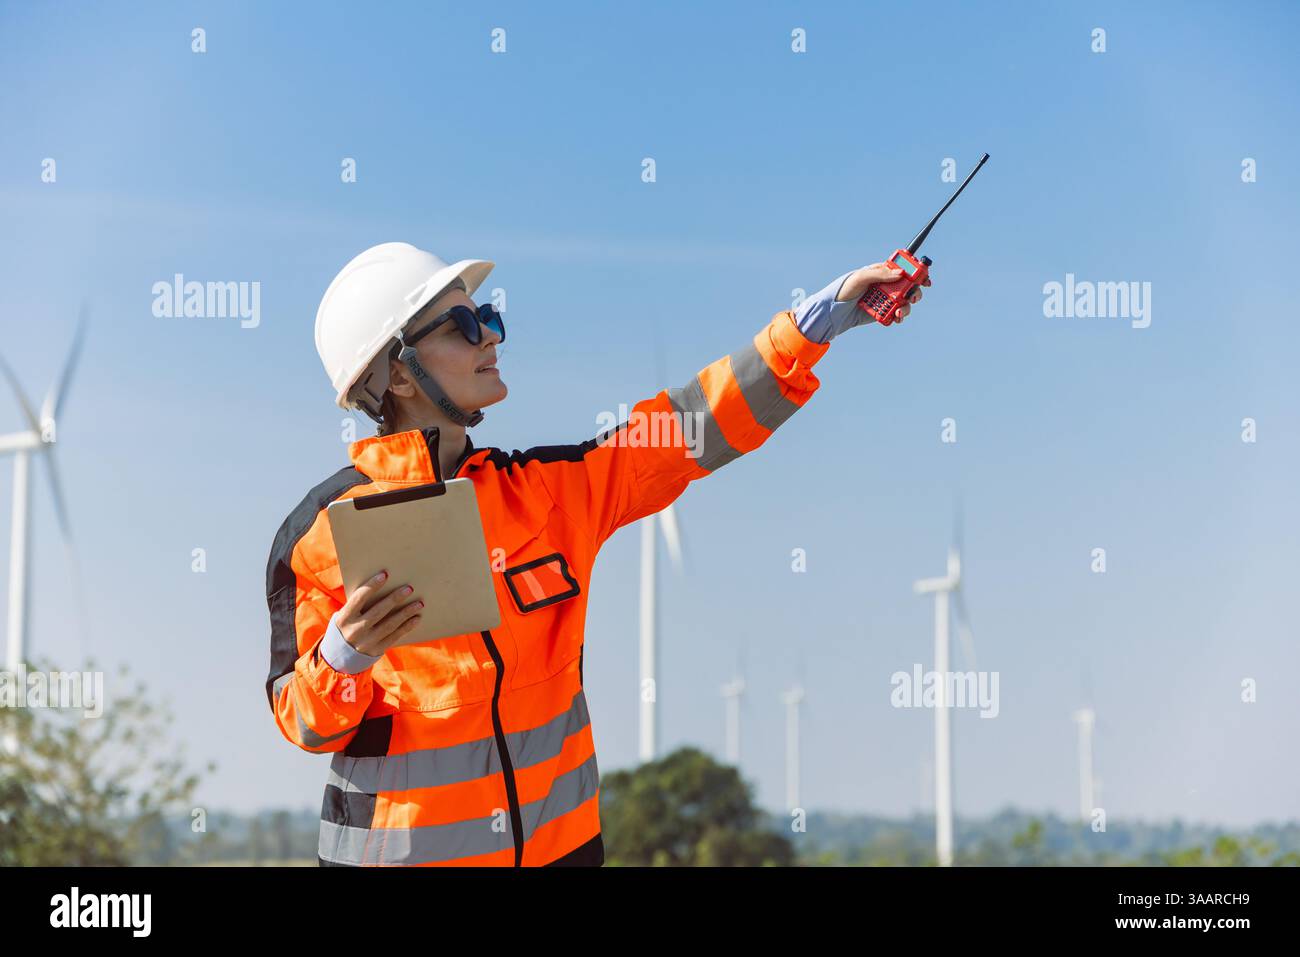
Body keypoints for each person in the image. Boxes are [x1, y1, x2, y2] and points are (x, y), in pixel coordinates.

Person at [264, 241, 929, 867]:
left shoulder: (551, 492)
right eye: (464, 324)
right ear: (395, 372)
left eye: (489, 316)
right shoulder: (318, 535)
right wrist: (342, 659)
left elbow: (686, 428)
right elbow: (306, 722)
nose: (492, 335)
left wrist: (822, 318)